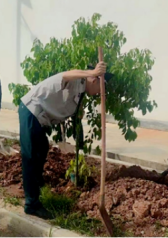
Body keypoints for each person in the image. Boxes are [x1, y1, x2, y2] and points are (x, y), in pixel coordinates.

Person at [19, 62, 109, 219]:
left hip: (40, 118)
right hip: (31, 112)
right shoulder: (75, 81)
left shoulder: (81, 90)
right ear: (94, 80)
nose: (99, 93)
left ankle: (35, 186)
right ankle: (31, 204)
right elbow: (66, 74)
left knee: (42, 149)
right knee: (31, 156)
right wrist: (92, 72)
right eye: (100, 88)